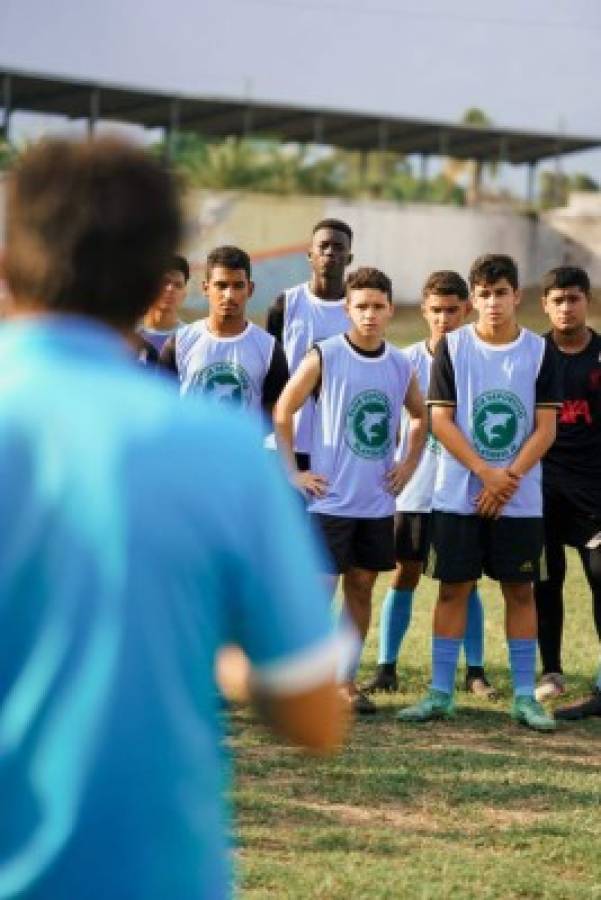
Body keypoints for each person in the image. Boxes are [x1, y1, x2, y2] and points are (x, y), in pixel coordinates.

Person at [0, 136, 346, 900]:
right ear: (160, 287)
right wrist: (222, 655)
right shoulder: (218, 449)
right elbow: (316, 716)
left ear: (7, 264)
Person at [397, 254, 561, 732]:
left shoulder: (538, 351)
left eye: (501, 293)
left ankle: (525, 697)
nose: (492, 303)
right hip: (458, 494)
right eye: (484, 294)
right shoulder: (453, 348)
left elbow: (545, 428)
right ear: (474, 299)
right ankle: (439, 693)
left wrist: (505, 478)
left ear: (517, 297)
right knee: (452, 590)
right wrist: (484, 473)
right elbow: (440, 421)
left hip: (520, 497)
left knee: (520, 591)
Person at [275, 266, 427, 714]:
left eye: (378, 306)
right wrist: (294, 474)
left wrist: (408, 465)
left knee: (361, 587)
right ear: (347, 309)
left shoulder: (402, 363)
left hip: (377, 502)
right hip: (330, 501)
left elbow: (421, 416)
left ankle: (344, 680)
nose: (370, 314)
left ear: (390, 310)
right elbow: (283, 410)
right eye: (361, 306)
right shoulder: (324, 355)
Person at [362, 271, 495, 698]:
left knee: (464, 580)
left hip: (461, 490)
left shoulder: (481, 360)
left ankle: (474, 671)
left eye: (453, 311)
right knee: (405, 574)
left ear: (467, 310)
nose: (444, 319)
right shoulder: (404, 361)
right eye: (436, 311)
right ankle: (386, 666)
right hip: (415, 490)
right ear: (423, 311)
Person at [533, 266, 601, 719]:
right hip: (540, 486)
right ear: (544, 304)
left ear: (587, 301)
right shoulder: (533, 354)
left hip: (595, 489)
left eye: (573, 298)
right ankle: (551, 671)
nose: (565, 307)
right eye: (556, 300)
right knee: (545, 579)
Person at [160, 245, 288, 421]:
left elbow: (276, 418)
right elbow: (164, 409)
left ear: (250, 289)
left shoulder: (269, 349)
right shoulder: (179, 343)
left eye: (238, 286)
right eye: (221, 285)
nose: (229, 295)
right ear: (205, 288)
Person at [267, 218, 353, 469]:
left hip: (337, 442)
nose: (330, 252)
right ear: (310, 255)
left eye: (338, 247)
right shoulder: (286, 304)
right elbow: (272, 374)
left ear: (349, 258)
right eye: (323, 246)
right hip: (288, 440)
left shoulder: (359, 309)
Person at [138, 253, 190, 353]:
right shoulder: (126, 336)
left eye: (178, 285)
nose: (170, 289)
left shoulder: (192, 338)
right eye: (165, 282)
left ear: (184, 294)